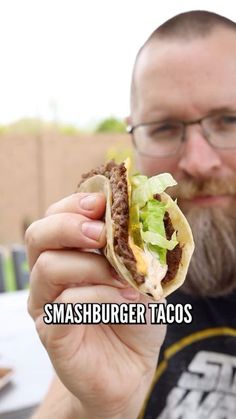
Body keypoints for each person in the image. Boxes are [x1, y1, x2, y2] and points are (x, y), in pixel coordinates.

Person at [25, 10, 236, 419]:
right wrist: (97, 407)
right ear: (133, 135)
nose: (196, 161)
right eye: (164, 127)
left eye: (229, 121)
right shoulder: (110, 301)